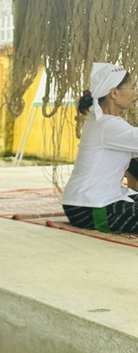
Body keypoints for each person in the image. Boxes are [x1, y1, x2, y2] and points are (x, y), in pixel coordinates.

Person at [61, 63, 138, 233]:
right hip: (88, 207)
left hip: (94, 201)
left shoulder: (102, 121)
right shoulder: (107, 125)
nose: (135, 94)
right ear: (114, 93)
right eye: (132, 88)